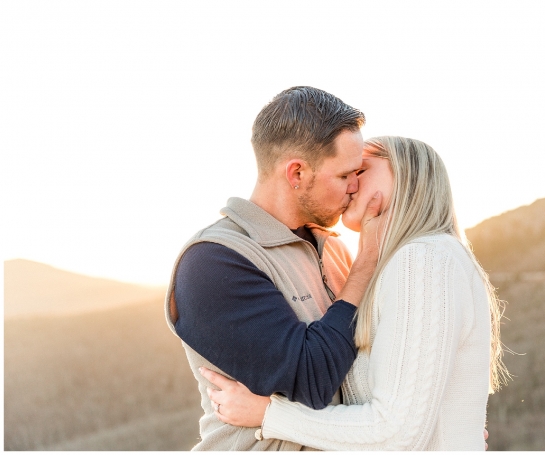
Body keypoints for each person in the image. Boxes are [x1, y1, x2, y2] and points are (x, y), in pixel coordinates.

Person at [200, 136, 508, 450]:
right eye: (345, 175)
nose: (349, 185)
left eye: (359, 170)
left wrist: (269, 414)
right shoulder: (419, 260)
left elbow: (396, 433)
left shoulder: (423, 260)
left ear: (406, 177)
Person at [165, 86, 384, 450]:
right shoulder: (214, 261)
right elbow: (313, 379)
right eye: (345, 175)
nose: (356, 186)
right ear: (297, 172)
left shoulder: (335, 248)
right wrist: (366, 267)